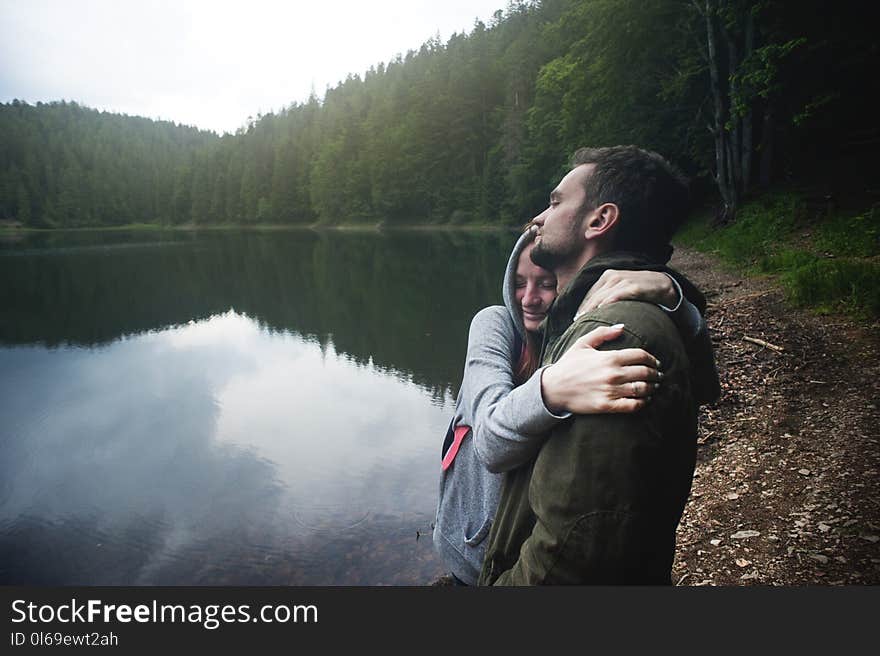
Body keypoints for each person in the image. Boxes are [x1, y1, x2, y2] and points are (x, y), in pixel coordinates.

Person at [478, 145, 719, 585]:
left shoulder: (613, 335)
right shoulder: (586, 318)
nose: (538, 218)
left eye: (554, 202)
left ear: (599, 220)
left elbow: (573, 550)